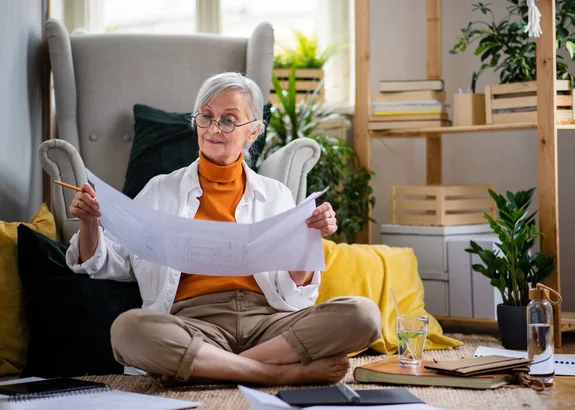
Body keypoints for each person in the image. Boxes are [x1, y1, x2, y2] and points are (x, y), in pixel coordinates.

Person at [66, 72, 381, 386]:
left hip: (269, 325)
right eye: (206, 117)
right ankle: (277, 372)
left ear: (253, 132)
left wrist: (308, 241)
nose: (213, 128)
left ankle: (207, 368)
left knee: (362, 315)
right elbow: (107, 262)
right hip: (194, 326)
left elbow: (296, 294)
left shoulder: (277, 195)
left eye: (228, 120)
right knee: (127, 330)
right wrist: (90, 222)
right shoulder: (161, 190)